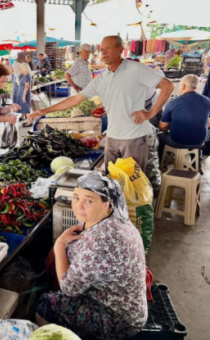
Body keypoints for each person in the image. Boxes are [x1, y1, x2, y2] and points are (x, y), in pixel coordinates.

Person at [29, 35, 174, 172]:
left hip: (133, 137)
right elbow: (75, 99)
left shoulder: (136, 69)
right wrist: (44, 111)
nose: (103, 52)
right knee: (110, 181)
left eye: (108, 48)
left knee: (132, 182)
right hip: (112, 137)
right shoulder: (102, 78)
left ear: (120, 50)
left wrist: (151, 113)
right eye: (101, 49)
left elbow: (168, 86)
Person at [36, 172, 147, 339]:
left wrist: (60, 244)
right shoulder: (110, 216)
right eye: (76, 198)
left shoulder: (104, 239)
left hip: (120, 316)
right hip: (118, 297)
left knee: (46, 304)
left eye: (88, 200)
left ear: (106, 203)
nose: (79, 206)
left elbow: (68, 289)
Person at [158, 74, 210, 159]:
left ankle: (164, 162)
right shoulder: (207, 101)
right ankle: (196, 162)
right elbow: (208, 124)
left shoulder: (173, 102)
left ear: (183, 86)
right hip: (200, 142)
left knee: (158, 136)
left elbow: (163, 127)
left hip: (177, 141)